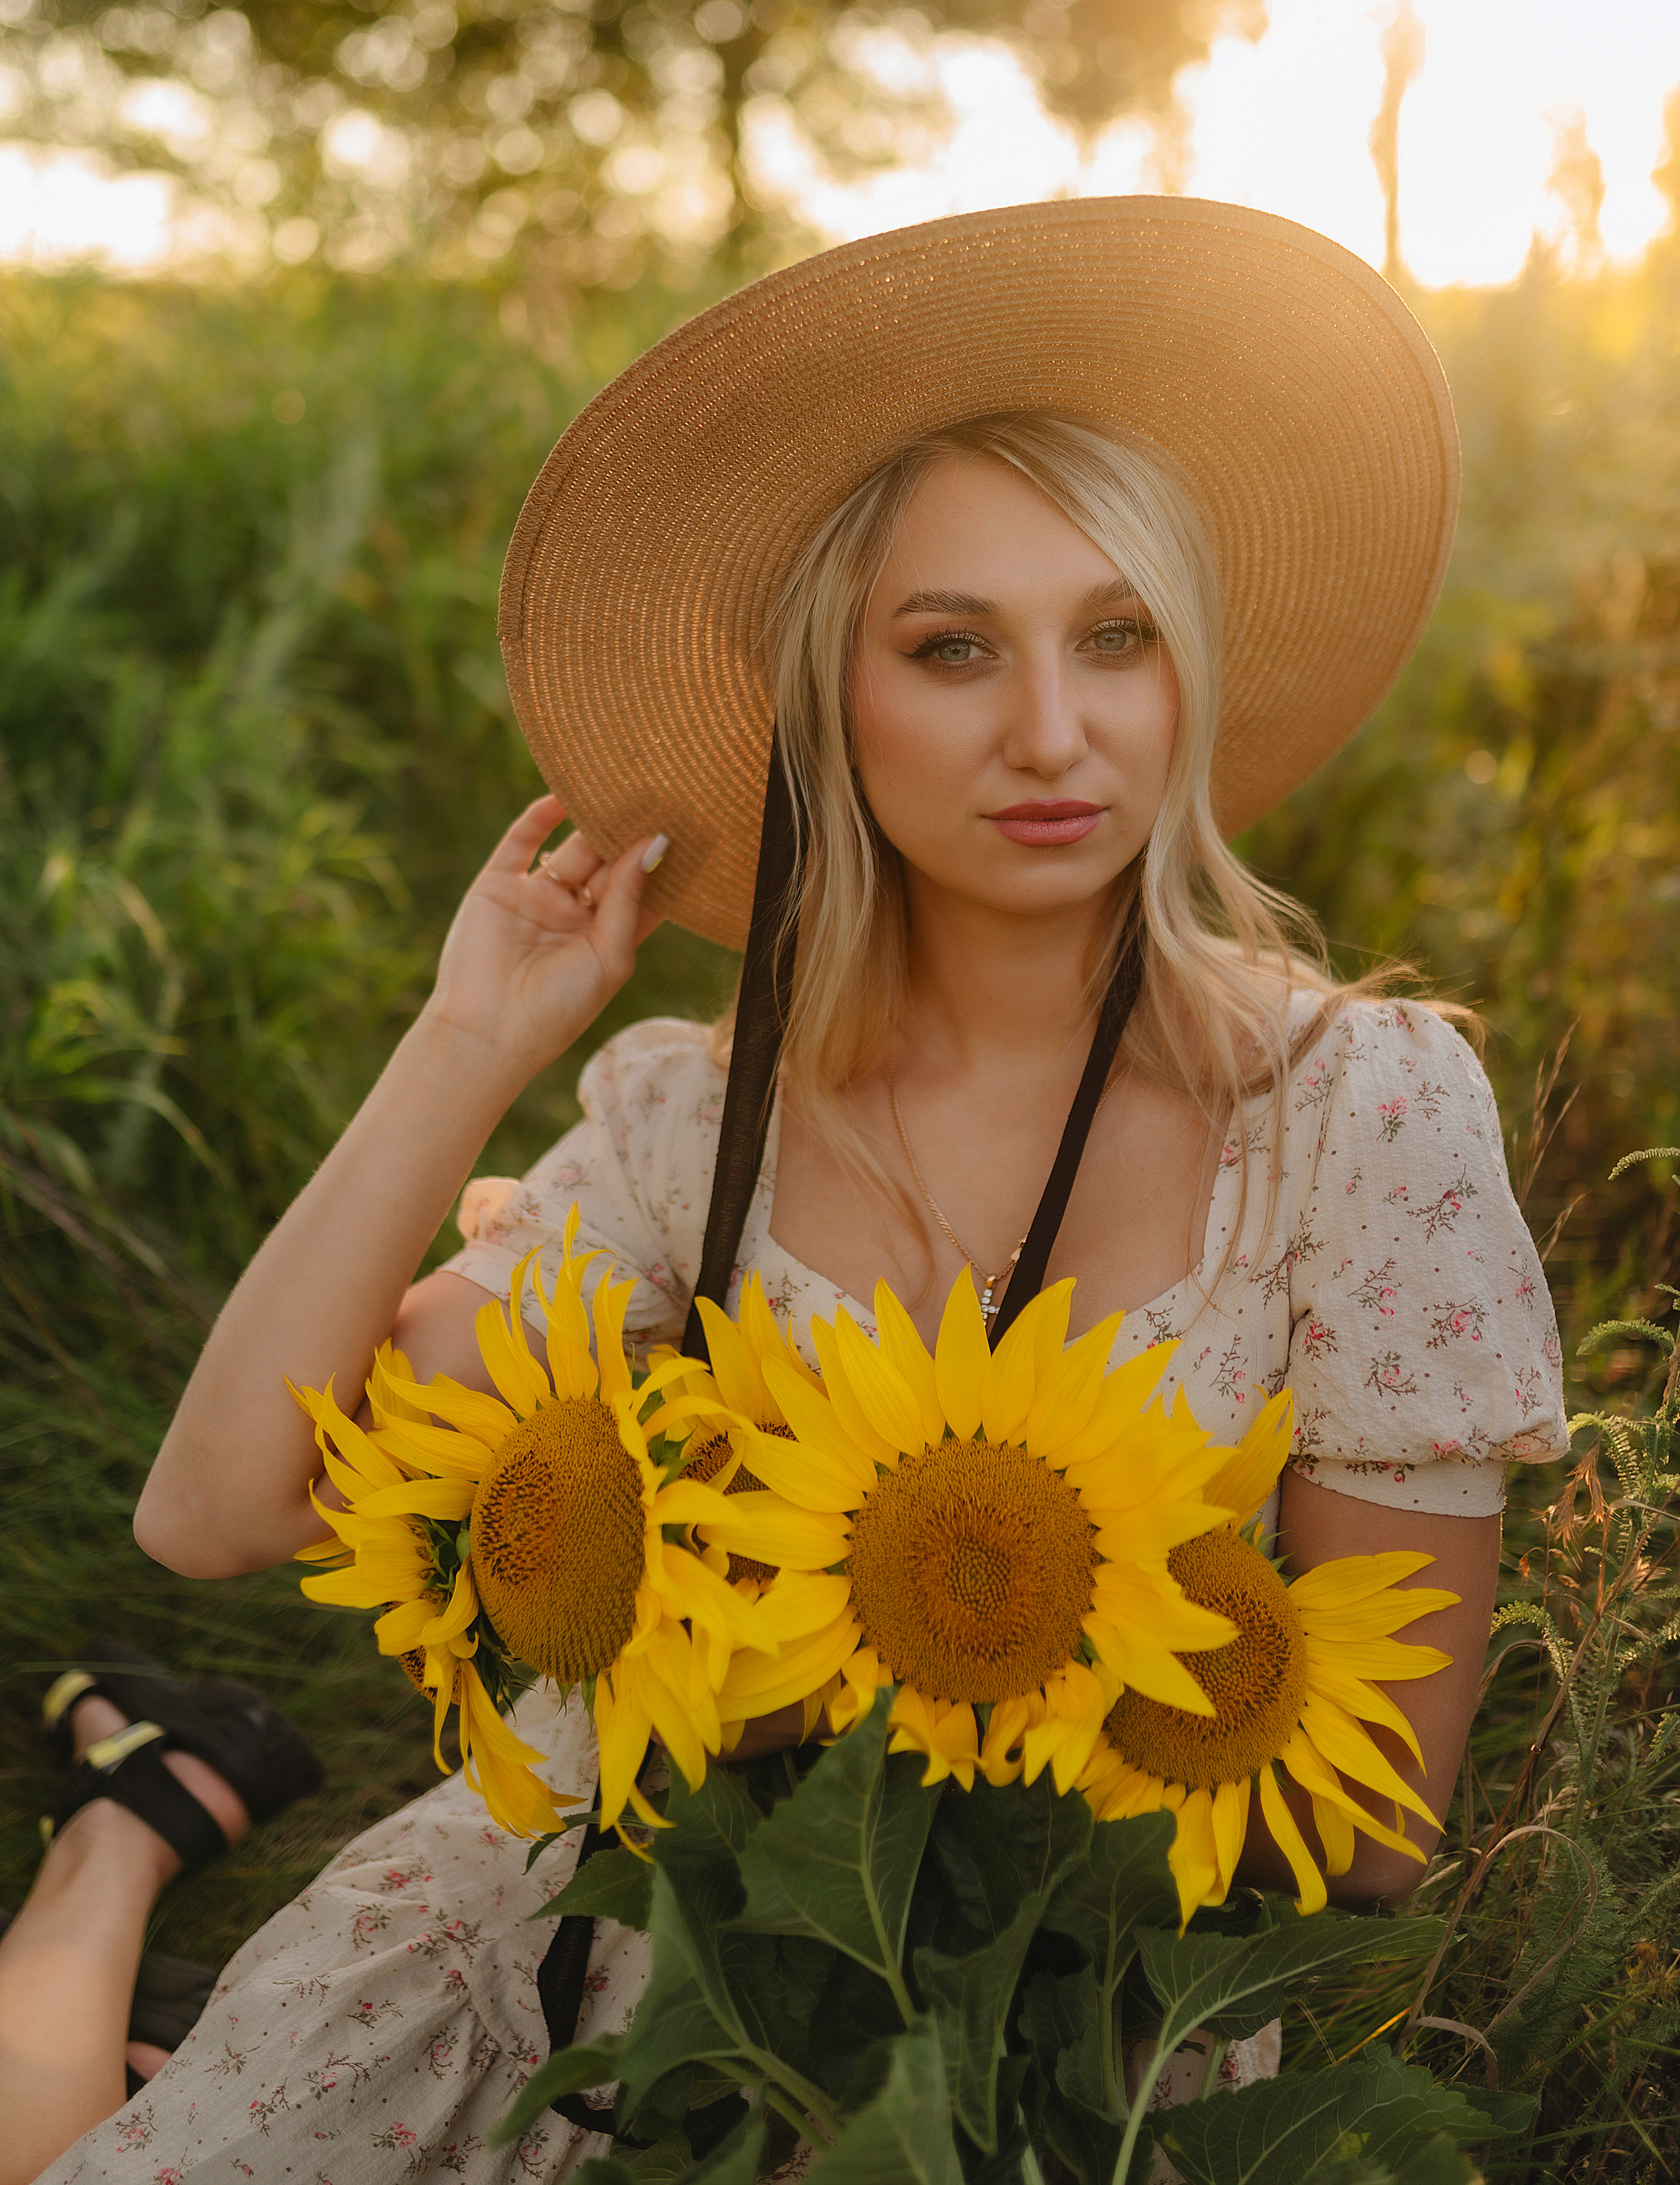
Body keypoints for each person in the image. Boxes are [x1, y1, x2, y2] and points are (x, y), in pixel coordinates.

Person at [3, 199, 1568, 2184]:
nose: (1053, 734)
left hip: (1065, 2040)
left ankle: (134, 1847)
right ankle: (118, 1845)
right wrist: (468, 1039)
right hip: (597, 1964)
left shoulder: (1357, 1116)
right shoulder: (698, 1130)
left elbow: (1367, 1837)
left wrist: (942, 1647)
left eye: (1116, 638)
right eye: (949, 651)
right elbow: (217, 1506)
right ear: (826, 696)